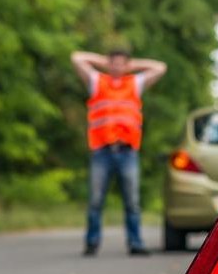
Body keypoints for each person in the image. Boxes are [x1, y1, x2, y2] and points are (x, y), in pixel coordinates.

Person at [71, 48, 167, 256]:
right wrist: (103, 63)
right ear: (108, 64)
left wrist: (132, 65)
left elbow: (160, 67)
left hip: (127, 152)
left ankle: (135, 243)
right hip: (102, 151)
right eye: (113, 63)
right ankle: (92, 243)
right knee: (95, 201)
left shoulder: (135, 83)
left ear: (127, 65)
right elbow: (76, 58)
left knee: (132, 202)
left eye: (121, 63)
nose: (117, 67)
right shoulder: (97, 81)